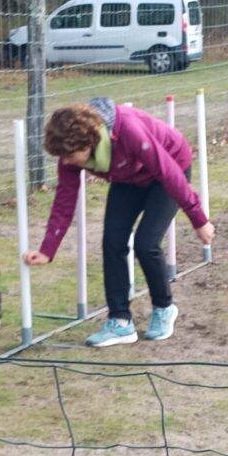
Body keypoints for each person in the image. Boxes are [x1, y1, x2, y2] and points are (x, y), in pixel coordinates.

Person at [23, 97, 214, 347]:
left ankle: (164, 308)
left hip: (170, 167)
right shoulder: (69, 154)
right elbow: (64, 201)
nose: (66, 161)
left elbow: (168, 173)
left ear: (88, 143)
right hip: (129, 177)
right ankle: (120, 321)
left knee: (146, 243)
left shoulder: (128, 131)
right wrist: (48, 249)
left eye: (70, 156)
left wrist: (199, 219)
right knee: (112, 239)